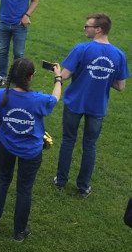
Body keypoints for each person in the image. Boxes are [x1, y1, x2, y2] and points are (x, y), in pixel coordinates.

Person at [0, 58, 62, 241]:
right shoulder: (38, 100)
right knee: (24, 189)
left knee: (2, 179)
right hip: (30, 151)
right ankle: (19, 232)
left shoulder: (0, 95)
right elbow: (55, 98)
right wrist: (58, 78)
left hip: (5, 144)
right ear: (31, 77)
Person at [54, 13, 128, 196]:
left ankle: (61, 180)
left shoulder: (82, 49)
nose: (84, 28)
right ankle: (83, 186)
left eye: (87, 26)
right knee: (90, 145)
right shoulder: (119, 55)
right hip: (97, 106)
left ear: (98, 29)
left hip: (75, 102)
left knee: (68, 140)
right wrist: (105, 75)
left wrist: (57, 72)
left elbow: (64, 75)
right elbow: (120, 86)